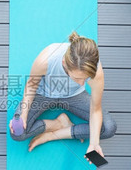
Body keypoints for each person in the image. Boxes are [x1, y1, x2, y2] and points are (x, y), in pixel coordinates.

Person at [9, 31, 117, 161]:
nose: (83, 83)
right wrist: (24, 115)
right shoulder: (46, 59)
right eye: (77, 78)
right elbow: (31, 85)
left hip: (74, 96)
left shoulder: (95, 70)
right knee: (17, 133)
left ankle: (55, 133)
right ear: (64, 63)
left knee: (108, 128)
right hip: (44, 94)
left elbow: (95, 109)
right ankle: (56, 123)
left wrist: (94, 144)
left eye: (86, 78)